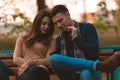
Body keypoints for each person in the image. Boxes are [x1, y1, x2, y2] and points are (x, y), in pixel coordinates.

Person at [49, 5, 102, 80]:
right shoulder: (59, 39)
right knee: (53, 58)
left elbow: (94, 54)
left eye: (60, 20)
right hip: (71, 76)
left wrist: (76, 38)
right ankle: (94, 65)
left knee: (85, 73)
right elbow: (58, 64)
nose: (59, 25)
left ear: (68, 14)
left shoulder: (87, 28)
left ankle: (93, 66)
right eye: (55, 23)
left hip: (91, 73)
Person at [13, 9, 54, 80]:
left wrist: (31, 63)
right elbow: (16, 59)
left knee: (34, 71)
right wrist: (30, 64)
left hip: (40, 72)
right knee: (27, 73)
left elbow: (49, 60)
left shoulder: (51, 41)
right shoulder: (22, 38)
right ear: (37, 23)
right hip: (23, 71)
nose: (47, 27)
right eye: (43, 23)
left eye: (49, 25)